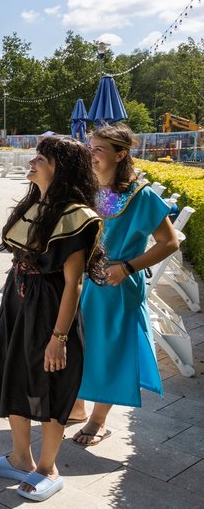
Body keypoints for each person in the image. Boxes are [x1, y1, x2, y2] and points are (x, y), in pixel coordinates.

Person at [0, 136, 105, 502]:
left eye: (41, 157)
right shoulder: (35, 203)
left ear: (59, 166)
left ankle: (47, 467)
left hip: (50, 307)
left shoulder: (76, 216)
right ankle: (20, 456)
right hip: (18, 300)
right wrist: (8, 310)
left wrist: (59, 337)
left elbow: (74, 284)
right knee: (10, 369)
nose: (32, 162)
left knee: (50, 383)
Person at [68, 124, 179, 446]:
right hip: (83, 282)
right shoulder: (88, 188)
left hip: (115, 288)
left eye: (99, 149)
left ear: (121, 154)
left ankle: (98, 420)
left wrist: (128, 267)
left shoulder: (141, 196)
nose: (92, 155)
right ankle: (75, 405)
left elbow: (168, 243)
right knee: (77, 344)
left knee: (109, 350)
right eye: (90, 148)